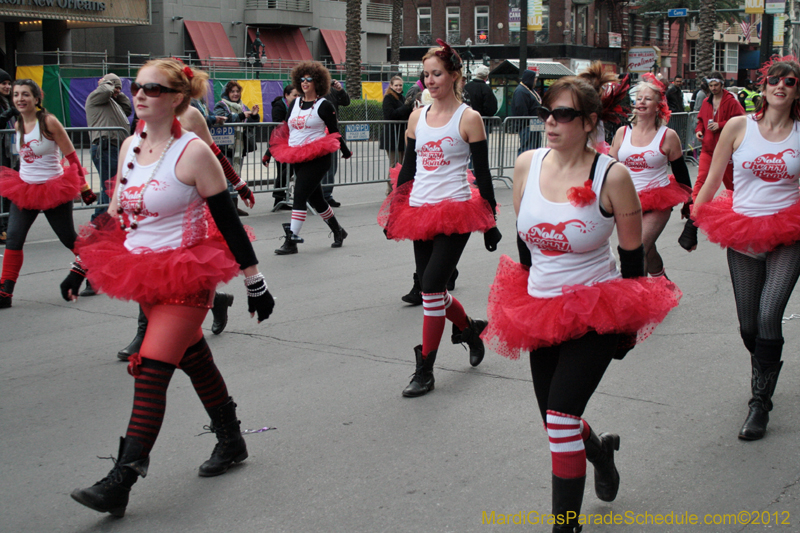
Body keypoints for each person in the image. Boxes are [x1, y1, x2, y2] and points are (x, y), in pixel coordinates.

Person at [70, 59, 274, 518]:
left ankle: (121, 479)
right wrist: (78, 266)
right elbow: (115, 216)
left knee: (151, 370)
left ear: (177, 98)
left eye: (153, 89)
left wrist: (255, 282)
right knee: (194, 357)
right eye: (136, 87)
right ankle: (232, 438)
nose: (139, 95)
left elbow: (228, 224)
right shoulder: (130, 146)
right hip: (141, 273)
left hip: (186, 278)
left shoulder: (194, 152)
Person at [480, 70, 681, 533]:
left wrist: (628, 326)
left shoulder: (613, 175)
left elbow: (632, 256)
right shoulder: (528, 163)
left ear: (590, 122)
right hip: (540, 307)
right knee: (555, 423)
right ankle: (601, 453)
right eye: (546, 112)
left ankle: (565, 526)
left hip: (597, 309)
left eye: (564, 114)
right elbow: (526, 239)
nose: (551, 122)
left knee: (561, 415)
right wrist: (526, 303)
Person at [378, 39, 502, 396]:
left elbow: (483, 172)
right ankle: (470, 329)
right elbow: (408, 171)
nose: (430, 81)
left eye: (437, 74)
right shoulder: (417, 117)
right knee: (434, 291)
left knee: (431, 287)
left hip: (456, 212)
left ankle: (425, 370)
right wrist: (394, 211)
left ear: (454, 75)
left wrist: (490, 221)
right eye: (426, 75)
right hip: (419, 211)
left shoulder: (470, 118)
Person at [691, 56, 800, 442]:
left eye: (790, 81)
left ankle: (760, 403)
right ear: (764, 85)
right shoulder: (739, 127)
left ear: (796, 90)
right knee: (749, 326)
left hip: (789, 232)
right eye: (775, 79)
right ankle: (765, 367)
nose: (781, 86)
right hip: (742, 229)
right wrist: (694, 218)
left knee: (770, 314)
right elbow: (711, 177)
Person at [116, 101, 257, 362]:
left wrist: (239, 184)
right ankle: (216, 302)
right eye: (142, 87)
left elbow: (214, 154)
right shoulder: (143, 125)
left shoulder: (192, 116)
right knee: (148, 270)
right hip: (153, 207)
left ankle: (145, 335)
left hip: (185, 211)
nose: (146, 95)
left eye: (157, 88)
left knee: (178, 276)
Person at [0, 79, 97, 308]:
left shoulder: (49, 122)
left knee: (67, 237)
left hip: (53, 189)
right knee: (14, 237)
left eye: (25, 94)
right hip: (25, 189)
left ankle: (92, 268)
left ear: (36, 98)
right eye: (16, 95)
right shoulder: (18, 124)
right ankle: (5, 292)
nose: (20, 99)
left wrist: (84, 188)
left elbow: (72, 156)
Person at [609, 73, 692, 278]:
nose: (641, 102)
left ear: (658, 106)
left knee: (637, 249)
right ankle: (663, 283)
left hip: (658, 199)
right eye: (638, 98)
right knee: (647, 248)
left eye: (647, 99)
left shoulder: (668, 136)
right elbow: (609, 167)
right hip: (627, 200)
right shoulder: (622, 133)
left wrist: (689, 202)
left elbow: (681, 171)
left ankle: (637, 301)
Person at [268, 61, 351, 254]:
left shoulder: (324, 105)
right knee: (317, 200)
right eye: (302, 79)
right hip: (297, 155)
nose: (305, 83)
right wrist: (267, 152)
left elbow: (334, 131)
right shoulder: (294, 103)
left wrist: (345, 150)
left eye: (309, 79)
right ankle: (338, 231)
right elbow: (285, 129)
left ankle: (291, 242)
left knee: (299, 194)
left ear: (318, 82)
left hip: (318, 157)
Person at [679, 72, 744, 251]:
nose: (713, 88)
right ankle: (695, 213)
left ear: (722, 84)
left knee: (731, 183)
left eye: (716, 85)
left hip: (726, 150)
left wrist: (721, 125)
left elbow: (741, 121)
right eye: (711, 85)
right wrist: (700, 130)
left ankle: (739, 209)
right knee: (702, 180)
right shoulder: (707, 101)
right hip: (708, 148)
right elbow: (700, 120)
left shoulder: (731, 101)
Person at [82, 73, 133, 296]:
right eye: (113, 85)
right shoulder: (95, 97)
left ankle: (102, 232)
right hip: (105, 147)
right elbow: (104, 91)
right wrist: (109, 83)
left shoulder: (113, 101)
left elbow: (128, 110)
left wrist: (118, 91)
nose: (115, 89)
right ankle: (96, 229)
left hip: (116, 149)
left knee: (113, 195)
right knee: (109, 195)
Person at [214, 81, 260, 216]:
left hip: (239, 148)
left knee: (236, 177)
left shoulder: (243, 106)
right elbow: (222, 120)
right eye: (232, 91)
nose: (235, 94)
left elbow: (250, 127)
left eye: (237, 91)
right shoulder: (221, 105)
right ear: (227, 93)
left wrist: (254, 115)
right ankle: (229, 208)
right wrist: (241, 116)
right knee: (228, 178)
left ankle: (234, 206)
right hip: (225, 147)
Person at [269, 84, 299, 210]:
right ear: (286, 95)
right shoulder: (279, 106)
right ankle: (278, 197)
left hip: (291, 142)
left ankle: (282, 196)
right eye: (295, 95)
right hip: (280, 142)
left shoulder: (297, 105)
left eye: (299, 95)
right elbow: (278, 123)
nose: (297, 97)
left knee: (289, 170)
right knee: (283, 170)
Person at [321, 79, 350, 207]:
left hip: (331, 135)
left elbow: (346, 102)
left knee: (331, 167)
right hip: (316, 137)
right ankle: (313, 196)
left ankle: (327, 195)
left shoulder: (332, 92)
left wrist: (340, 90)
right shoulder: (310, 93)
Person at [381, 76, 412, 190]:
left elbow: (406, 114)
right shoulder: (388, 98)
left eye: (400, 85)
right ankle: (391, 190)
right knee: (394, 164)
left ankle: (398, 188)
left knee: (401, 164)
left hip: (401, 136)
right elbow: (391, 115)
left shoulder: (402, 98)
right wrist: (406, 106)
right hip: (392, 137)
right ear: (391, 86)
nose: (398, 87)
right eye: (396, 85)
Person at [0, 68, 16, 246]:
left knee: (7, 189)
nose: (7, 86)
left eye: (8, 83)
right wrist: (10, 112)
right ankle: (2, 227)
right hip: (1, 153)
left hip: (8, 152)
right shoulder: (6, 105)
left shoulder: (6, 101)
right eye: (3, 83)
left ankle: (6, 225)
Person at [510, 68, 541, 155]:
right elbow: (520, 108)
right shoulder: (521, 91)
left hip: (534, 125)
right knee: (527, 149)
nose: (536, 81)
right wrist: (526, 120)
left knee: (535, 148)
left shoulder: (529, 89)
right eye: (535, 79)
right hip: (527, 125)